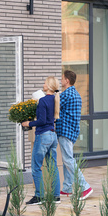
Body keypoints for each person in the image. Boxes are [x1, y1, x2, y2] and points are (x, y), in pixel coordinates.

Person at [22, 76, 61, 205]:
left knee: (36, 167)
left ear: (49, 86)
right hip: (52, 136)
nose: (43, 84)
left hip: (43, 136)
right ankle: (56, 196)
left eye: (45, 82)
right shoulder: (55, 100)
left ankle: (39, 197)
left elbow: (42, 121)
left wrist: (29, 123)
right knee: (52, 167)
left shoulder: (43, 101)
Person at [55, 70, 93, 200]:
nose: (61, 80)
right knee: (68, 160)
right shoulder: (76, 94)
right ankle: (67, 188)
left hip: (65, 131)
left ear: (67, 80)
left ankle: (85, 186)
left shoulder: (66, 94)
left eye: (62, 78)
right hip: (72, 131)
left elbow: (55, 107)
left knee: (68, 160)